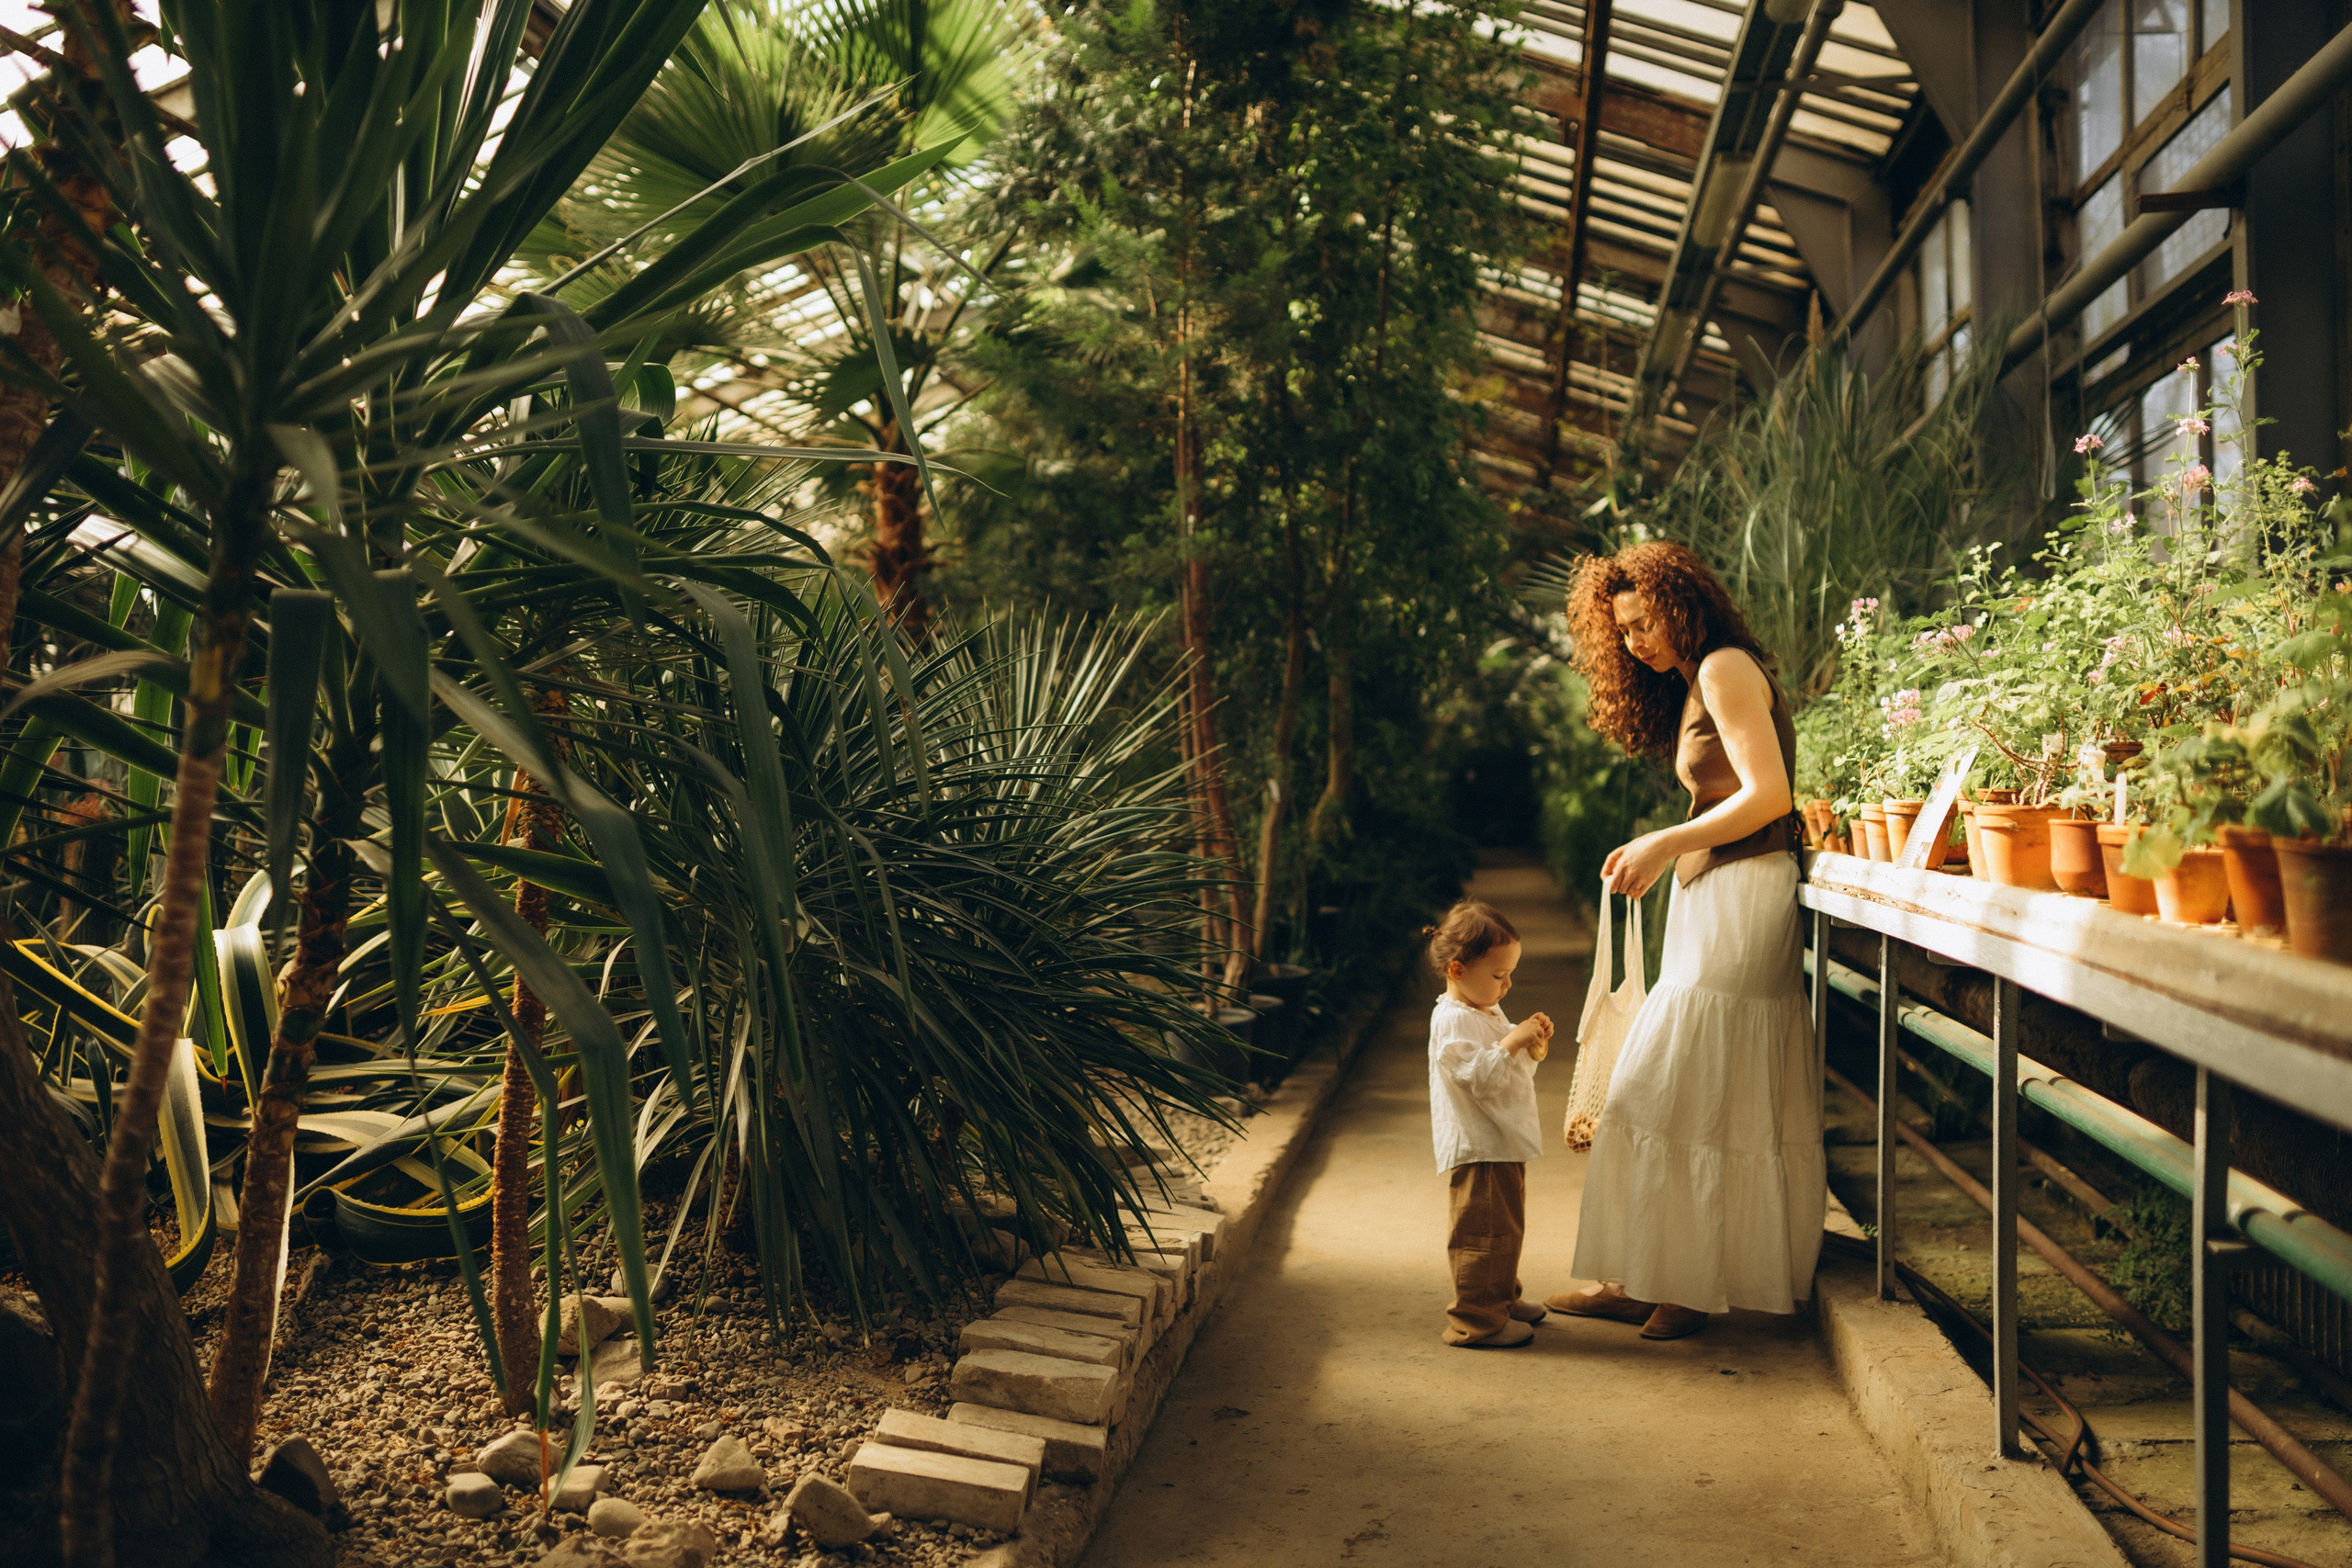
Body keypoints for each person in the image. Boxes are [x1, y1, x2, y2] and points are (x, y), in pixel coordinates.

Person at [1550, 540, 1824, 1341]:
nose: (1635, 640)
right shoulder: (1700, 676)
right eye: (1624, 629)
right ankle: (1649, 1275)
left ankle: (1678, 1283)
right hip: (1719, 896)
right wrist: (1669, 851)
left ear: (1685, 602)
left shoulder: (1723, 667)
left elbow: (1771, 794)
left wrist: (1664, 843)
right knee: (1690, 1082)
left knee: (1675, 1080)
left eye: (1645, 620)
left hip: (1745, 896)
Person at [1425, 899, 1556, 1348]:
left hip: (1502, 1139)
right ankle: (1475, 1319)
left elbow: (1507, 1076)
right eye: (1498, 975)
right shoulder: (1451, 1020)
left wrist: (1528, 1047)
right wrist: (1511, 1041)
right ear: (1458, 970)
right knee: (1481, 1234)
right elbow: (1479, 1077)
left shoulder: (1483, 1009)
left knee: (1505, 1228)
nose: (1507, 985)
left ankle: (1500, 1298)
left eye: (1510, 974)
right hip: (1479, 1145)